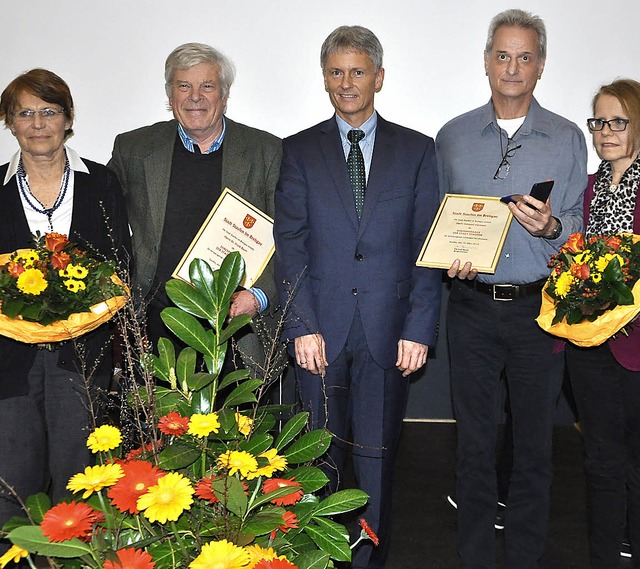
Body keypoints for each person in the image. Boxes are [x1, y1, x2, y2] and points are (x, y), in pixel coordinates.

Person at [274, 25, 441, 569]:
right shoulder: (297, 150)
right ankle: (324, 561)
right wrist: (300, 325)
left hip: (389, 334)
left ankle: (368, 562)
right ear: (324, 78)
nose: (347, 83)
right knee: (318, 465)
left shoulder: (417, 150)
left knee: (375, 463)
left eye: (358, 71)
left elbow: (426, 245)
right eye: (336, 72)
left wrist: (420, 326)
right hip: (319, 335)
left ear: (380, 77)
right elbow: (290, 244)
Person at [436, 9, 587, 568]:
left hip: (538, 313)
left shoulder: (568, 138)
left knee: (535, 448)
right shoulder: (451, 137)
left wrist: (551, 228)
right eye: (503, 55)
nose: (513, 67)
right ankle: (474, 555)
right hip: (470, 311)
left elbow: (580, 228)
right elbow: (437, 222)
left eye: (525, 56)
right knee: (473, 445)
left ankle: (525, 557)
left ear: (541, 65)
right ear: (486, 61)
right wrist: (449, 260)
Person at [0, 69, 130, 558]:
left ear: (68, 118)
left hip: (83, 359)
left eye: (49, 111)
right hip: (8, 366)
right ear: (10, 123)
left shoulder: (103, 183)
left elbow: (120, 266)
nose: (38, 124)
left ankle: (75, 565)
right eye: (25, 113)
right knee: (11, 483)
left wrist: (85, 306)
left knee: (80, 484)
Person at [108, 42, 282, 378]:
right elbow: (100, 214)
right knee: (159, 430)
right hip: (154, 325)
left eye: (207, 86)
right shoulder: (133, 149)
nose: (195, 97)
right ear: (170, 94)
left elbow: (290, 235)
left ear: (225, 94)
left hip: (235, 326)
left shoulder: (266, 151)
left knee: (238, 428)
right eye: (183, 86)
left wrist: (259, 295)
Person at [565, 78, 640, 568]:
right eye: (598, 122)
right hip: (589, 344)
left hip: (635, 347)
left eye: (618, 121)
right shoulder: (593, 184)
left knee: (634, 459)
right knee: (599, 458)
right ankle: (605, 555)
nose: (605, 131)